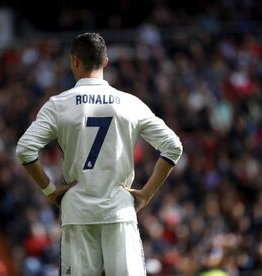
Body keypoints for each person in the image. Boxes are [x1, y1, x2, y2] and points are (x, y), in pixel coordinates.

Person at [16, 32, 183, 276]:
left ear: (74, 61)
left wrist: (50, 191)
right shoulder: (130, 103)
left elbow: (24, 150)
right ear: (106, 61)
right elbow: (173, 146)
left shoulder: (58, 104)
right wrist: (145, 194)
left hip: (77, 211)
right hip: (119, 209)